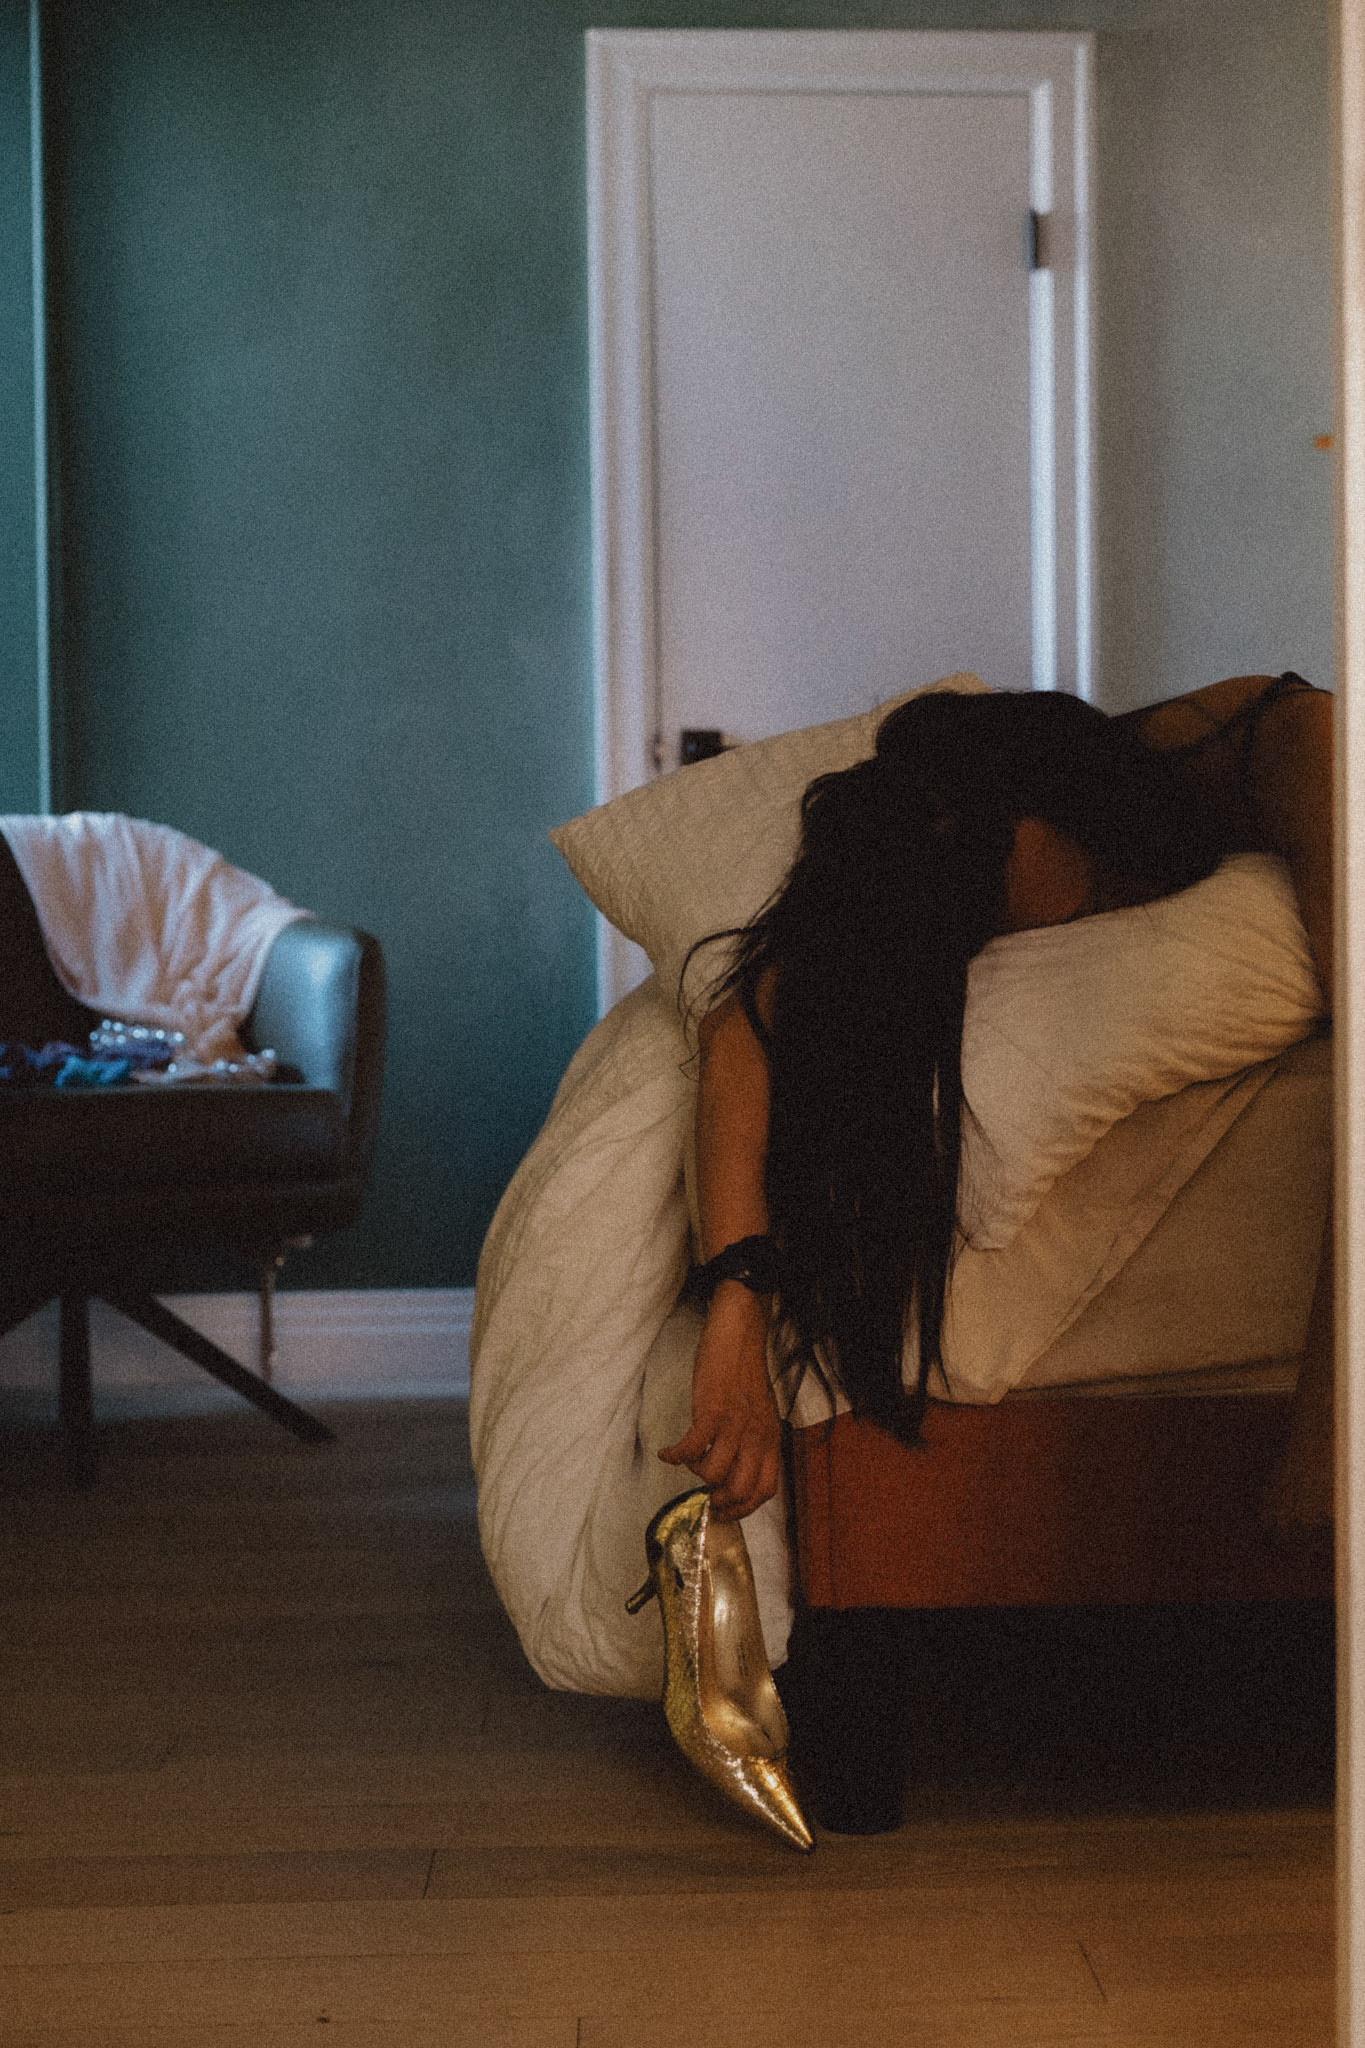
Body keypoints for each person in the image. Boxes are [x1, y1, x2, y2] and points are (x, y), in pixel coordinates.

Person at [658, 674, 1335, 1532]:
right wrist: (736, 1308)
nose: (1107, 914)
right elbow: (740, 1026)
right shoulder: (923, 816)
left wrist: (1321, 1446)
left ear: (1077, 809)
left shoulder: (1291, 748)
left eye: (1096, 899)